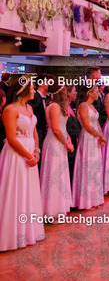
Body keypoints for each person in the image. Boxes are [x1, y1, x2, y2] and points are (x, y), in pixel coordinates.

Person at [0, 76, 45, 252]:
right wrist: (28, 156)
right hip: (16, 155)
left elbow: (34, 132)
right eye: (32, 88)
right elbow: (11, 138)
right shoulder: (10, 110)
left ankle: (27, 232)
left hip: (30, 154)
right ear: (23, 90)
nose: (33, 90)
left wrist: (37, 151)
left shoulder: (29, 108)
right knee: (15, 191)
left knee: (28, 191)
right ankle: (10, 235)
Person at [40, 84, 74, 218]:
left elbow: (62, 127)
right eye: (64, 91)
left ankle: (59, 207)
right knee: (54, 175)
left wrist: (68, 138)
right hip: (54, 143)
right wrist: (66, 143)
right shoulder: (54, 106)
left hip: (60, 141)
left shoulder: (57, 106)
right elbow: (55, 128)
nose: (66, 94)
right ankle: (51, 210)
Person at [29, 74, 50, 156]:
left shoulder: (50, 98)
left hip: (46, 133)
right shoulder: (33, 98)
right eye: (49, 82)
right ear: (41, 83)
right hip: (36, 132)